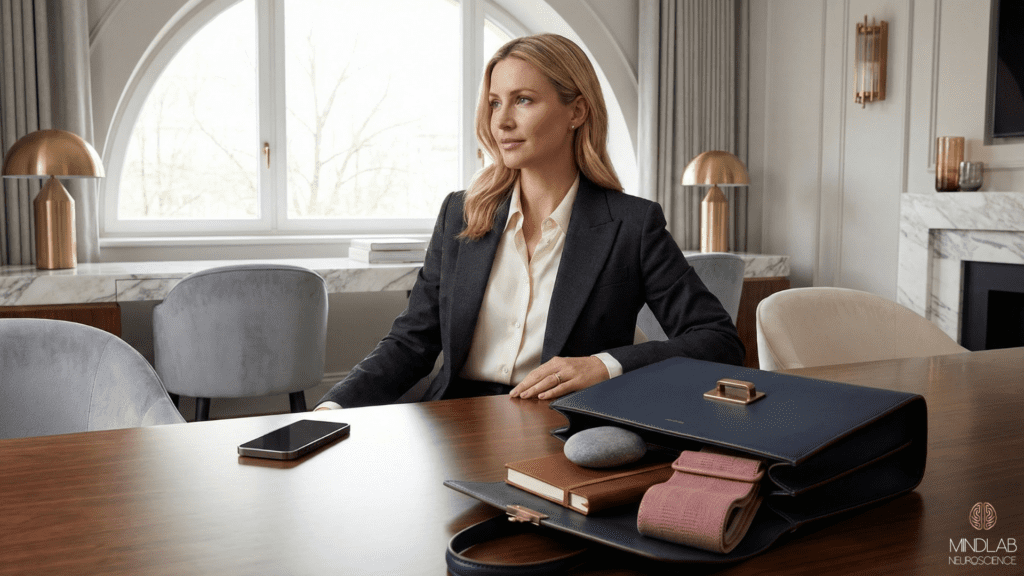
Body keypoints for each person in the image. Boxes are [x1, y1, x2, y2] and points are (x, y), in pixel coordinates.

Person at [315, 34, 743, 410]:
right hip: (452, 420)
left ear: (576, 112)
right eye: (495, 103)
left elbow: (719, 340)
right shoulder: (459, 214)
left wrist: (604, 366)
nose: (501, 121)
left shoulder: (631, 225)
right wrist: (332, 408)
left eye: (523, 100)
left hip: (562, 424)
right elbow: (413, 341)